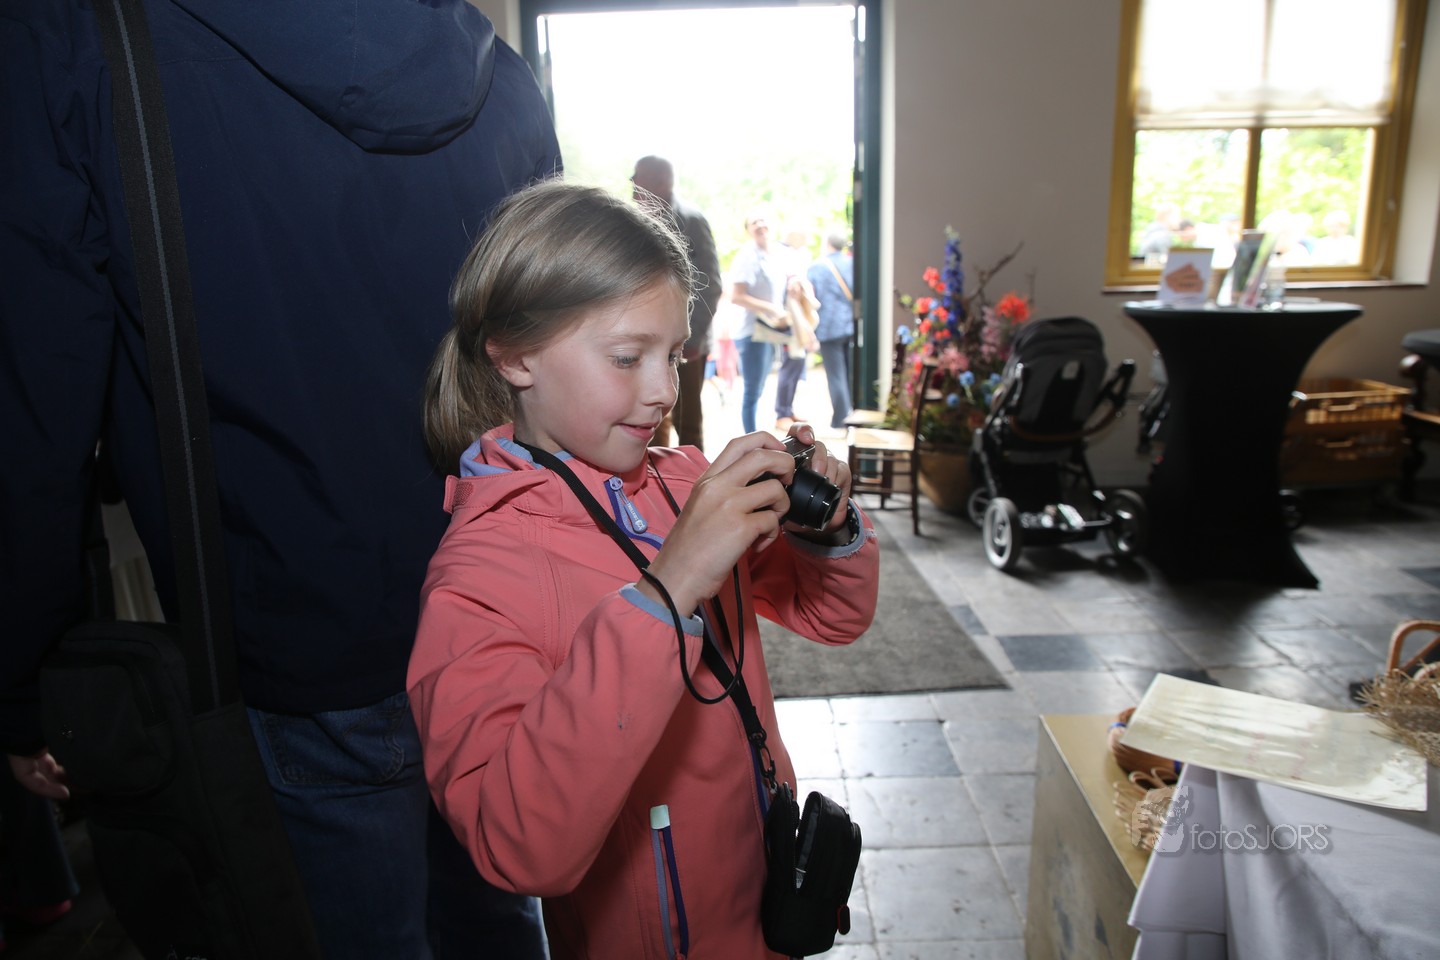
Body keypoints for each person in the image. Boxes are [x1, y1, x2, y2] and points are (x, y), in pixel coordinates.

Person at [0, 1, 561, 957]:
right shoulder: (487, 60)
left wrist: (19, 675)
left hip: (297, 622)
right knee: (497, 917)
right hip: (498, 596)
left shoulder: (74, 38)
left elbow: (34, 395)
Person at [408, 181, 879, 959]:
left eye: (674, 356)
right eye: (628, 358)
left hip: (756, 901)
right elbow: (517, 845)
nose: (663, 392)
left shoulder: (685, 481)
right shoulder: (481, 574)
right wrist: (666, 592)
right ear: (515, 355)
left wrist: (822, 528)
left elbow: (835, 617)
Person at [631, 156, 723, 451]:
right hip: (644, 338)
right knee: (648, 416)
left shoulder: (692, 220)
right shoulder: (632, 221)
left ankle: (694, 476)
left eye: (637, 177)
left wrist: (691, 339)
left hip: (685, 341)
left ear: (661, 182)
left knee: (688, 420)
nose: (632, 183)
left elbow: (710, 284)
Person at [730, 212, 794, 433]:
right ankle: (751, 439)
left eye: (762, 220)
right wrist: (771, 308)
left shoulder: (776, 254)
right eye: (753, 222)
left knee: (760, 388)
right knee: (752, 391)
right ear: (748, 230)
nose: (759, 224)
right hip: (752, 332)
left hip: (769, 330)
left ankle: (756, 436)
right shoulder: (747, 256)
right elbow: (737, 296)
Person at [806, 231, 858, 431]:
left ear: (827, 243)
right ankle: (855, 414)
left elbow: (811, 298)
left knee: (836, 375)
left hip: (828, 327)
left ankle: (841, 419)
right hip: (850, 324)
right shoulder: (852, 263)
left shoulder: (817, 266)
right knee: (851, 372)